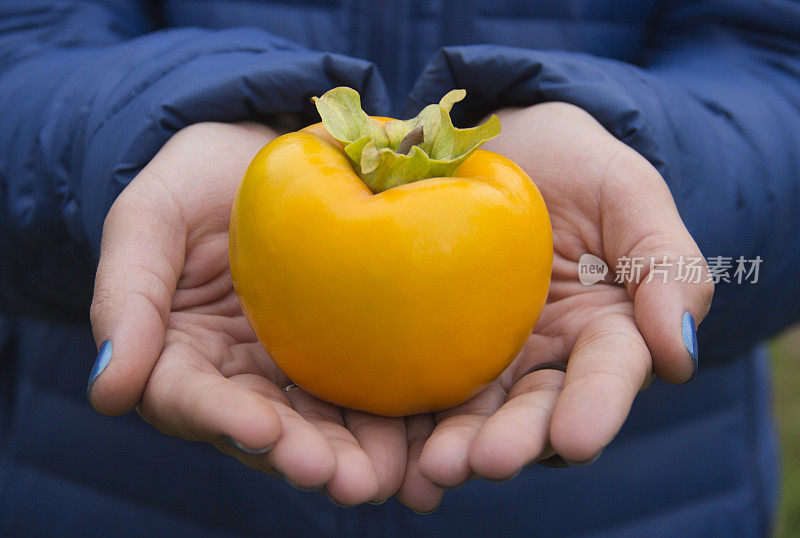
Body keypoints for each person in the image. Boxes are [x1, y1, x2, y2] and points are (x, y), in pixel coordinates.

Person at [1, 0, 797, 535]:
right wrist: (126, 144)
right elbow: (23, 43)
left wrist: (656, 175)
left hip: (648, 493)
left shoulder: (295, 175)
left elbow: (775, 59)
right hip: (118, 490)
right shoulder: (495, 197)